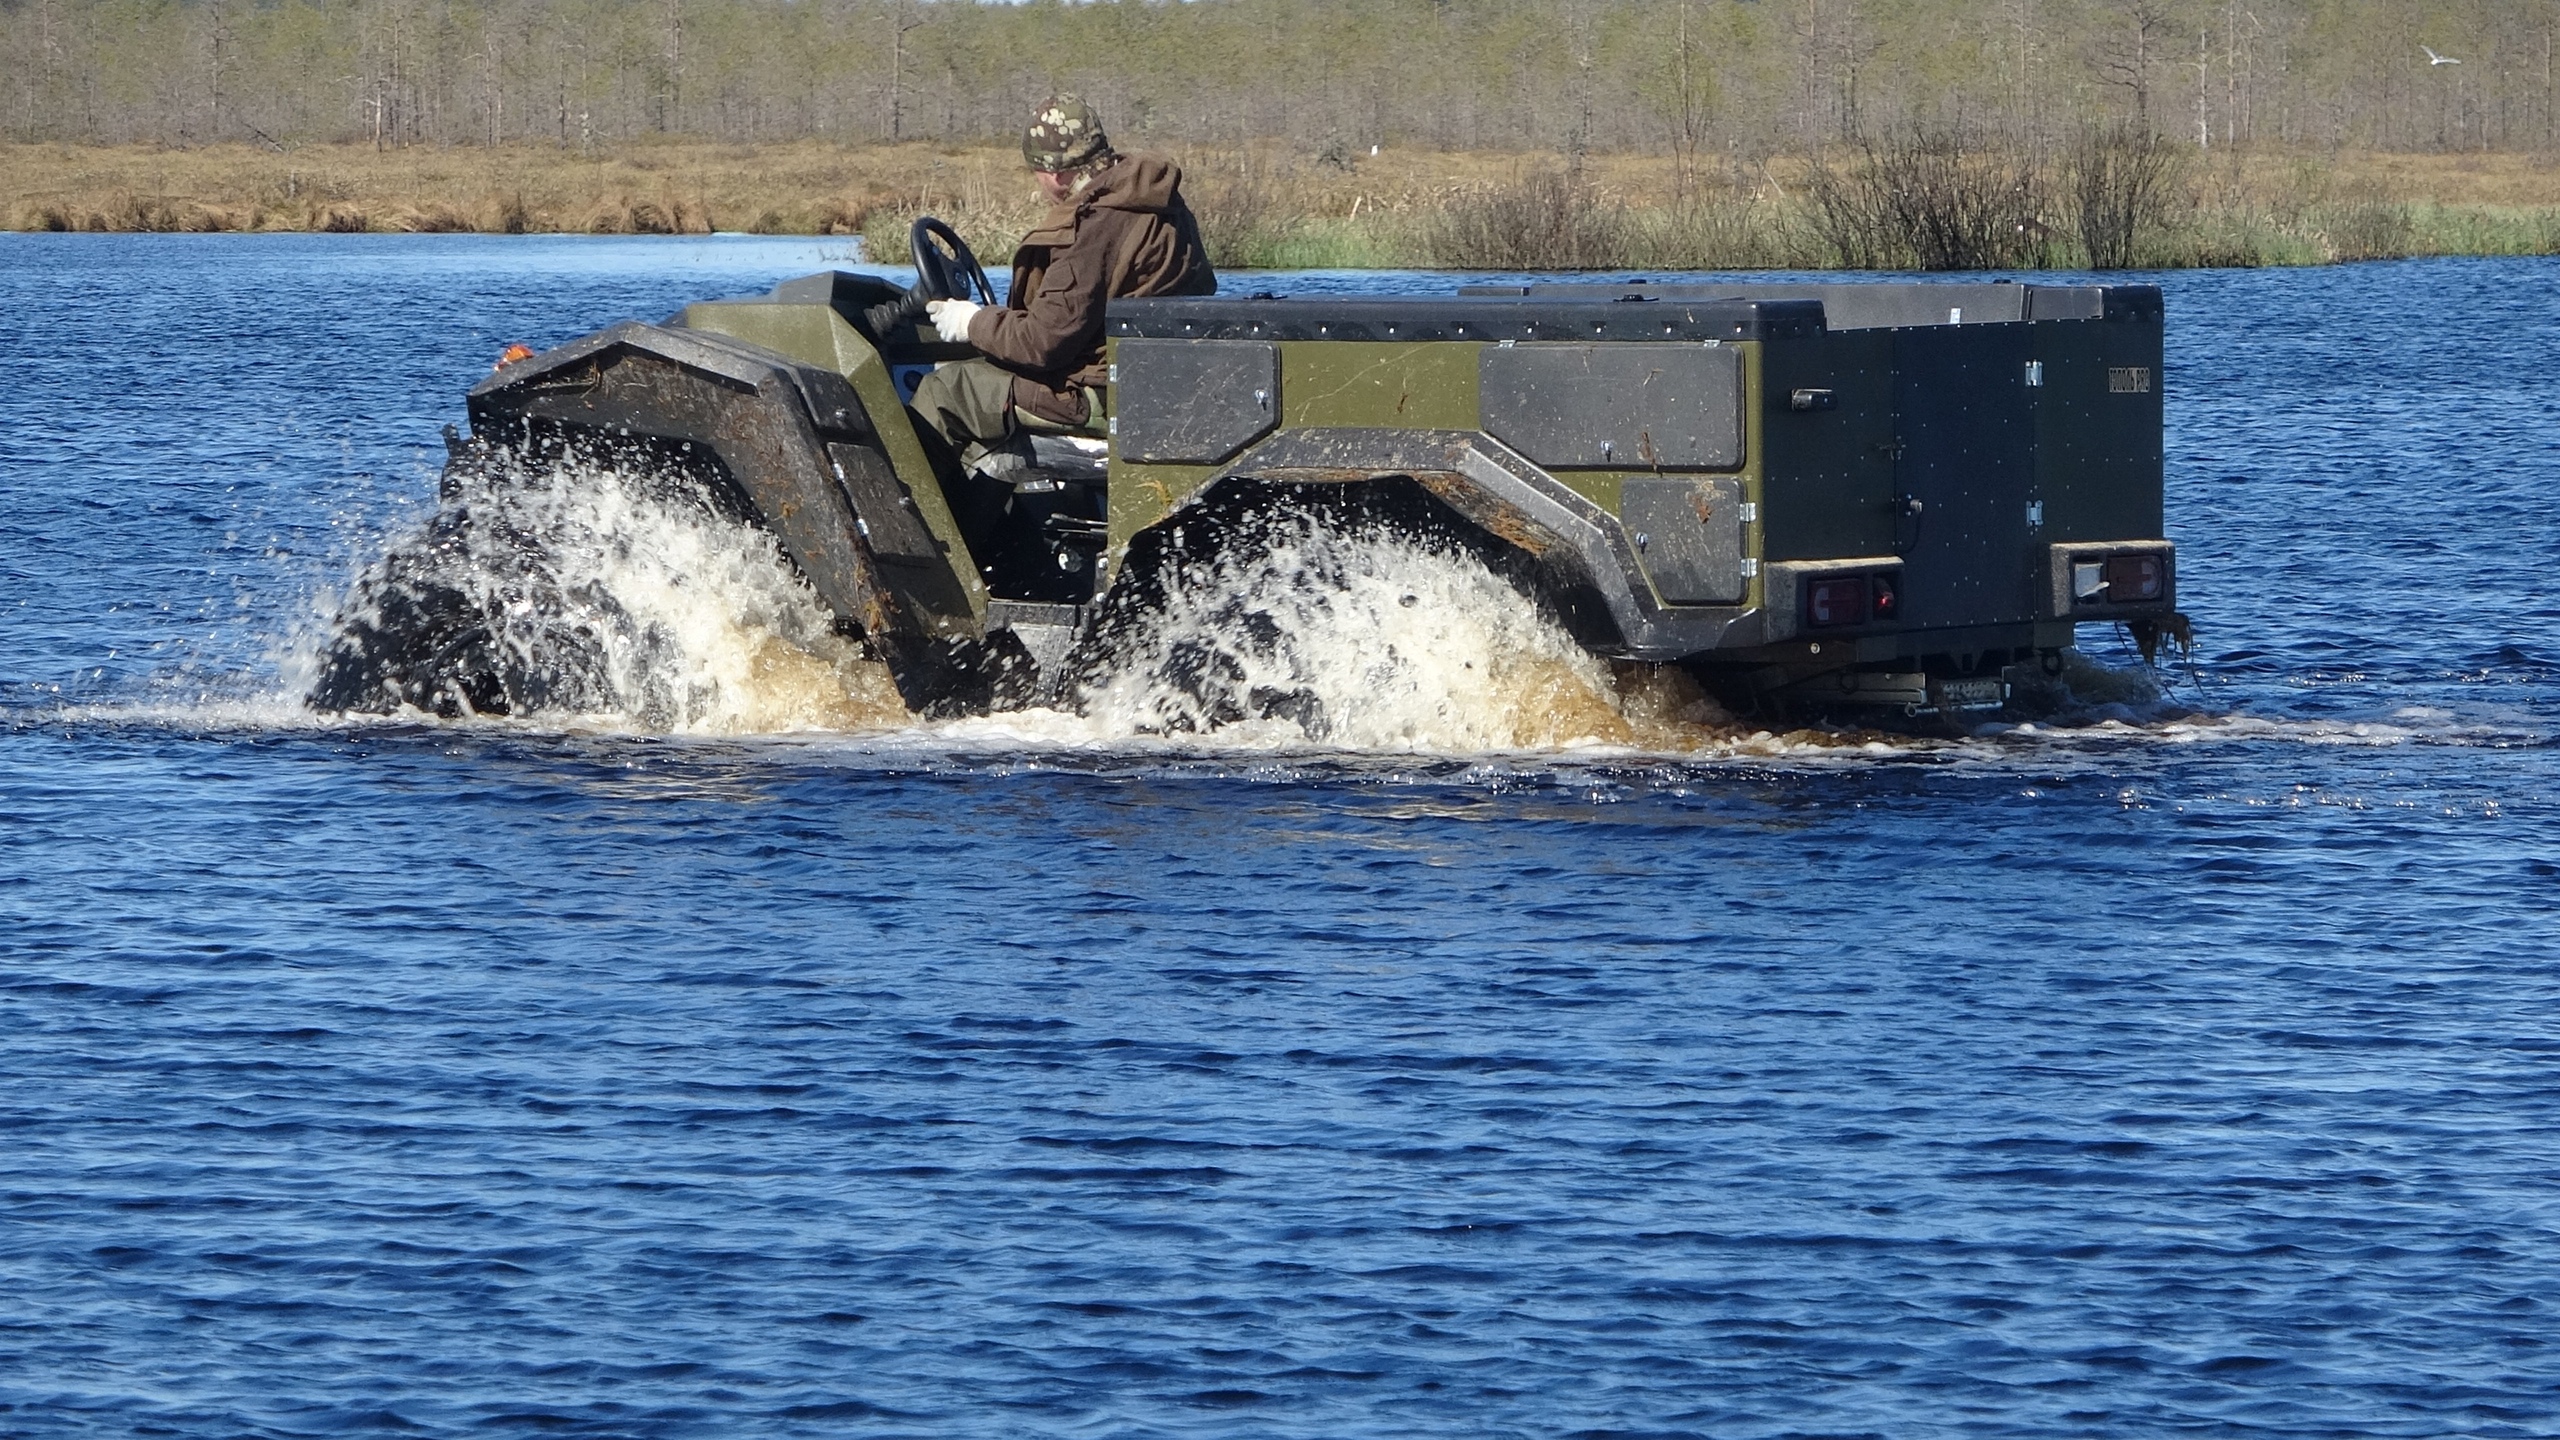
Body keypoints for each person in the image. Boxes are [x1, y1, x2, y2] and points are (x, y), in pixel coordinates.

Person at [909, 94, 1216, 472]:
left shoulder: (1093, 229)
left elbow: (1040, 344)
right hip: (1150, 388)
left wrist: (971, 321)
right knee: (975, 389)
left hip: (1099, 397)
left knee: (943, 390)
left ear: (1054, 174)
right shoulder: (1158, 202)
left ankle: (909, 528)